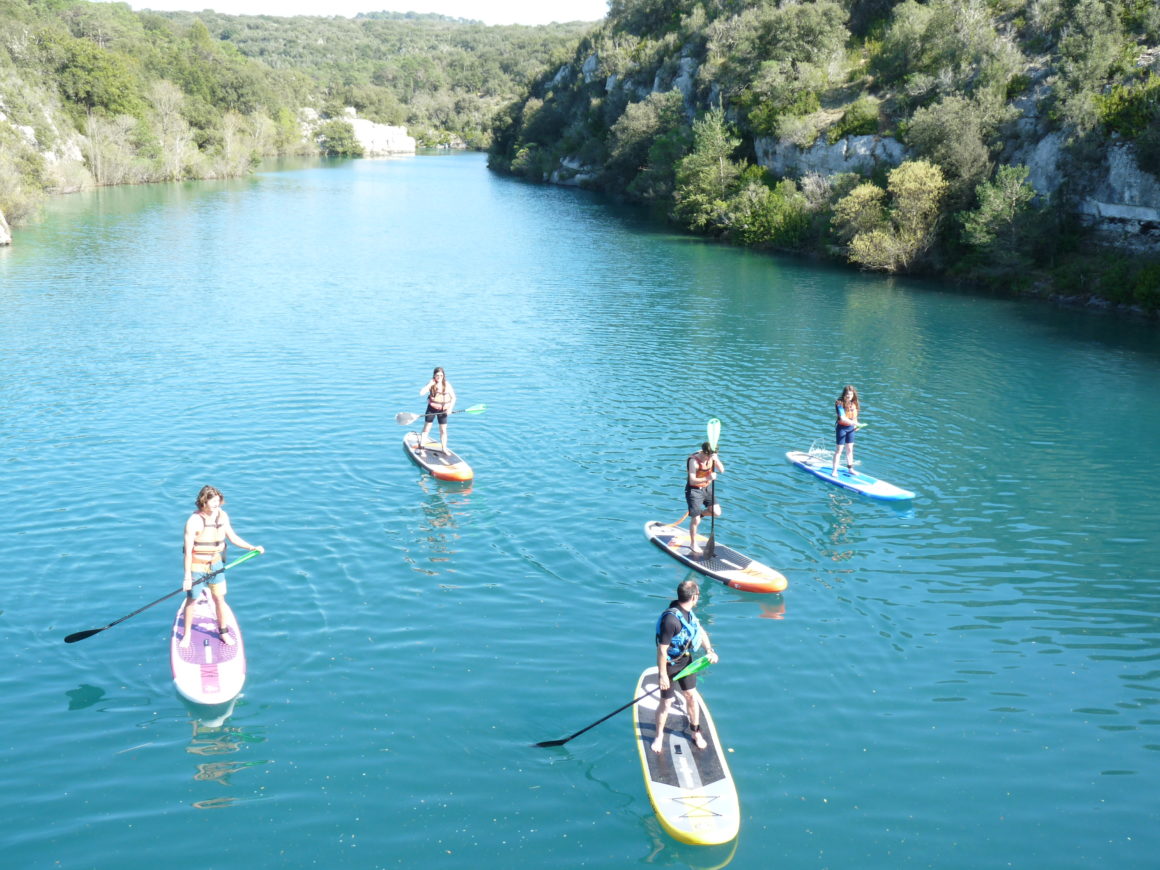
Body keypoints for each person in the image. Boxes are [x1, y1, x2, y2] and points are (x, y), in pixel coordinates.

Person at [180, 485, 263, 648]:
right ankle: (187, 634)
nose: (217, 504)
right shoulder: (194, 521)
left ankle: (223, 632)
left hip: (216, 565)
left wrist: (252, 547)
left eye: (219, 501)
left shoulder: (222, 516)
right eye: (213, 501)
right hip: (197, 566)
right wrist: (187, 577)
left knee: (219, 598)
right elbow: (188, 552)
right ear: (203, 501)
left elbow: (232, 537)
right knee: (192, 600)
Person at [651, 579, 719, 753]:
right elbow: (662, 650)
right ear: (695, 597)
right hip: (669, 665)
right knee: (666, 703)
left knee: (690, 696)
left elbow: (700, 630)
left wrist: (709, 650)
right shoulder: (671, 620)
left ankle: (696, 732)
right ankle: (658, 736)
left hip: (686, 661)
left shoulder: (689, 614)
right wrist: (663, 676)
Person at [685, 441, 724, 556]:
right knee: (696, 520)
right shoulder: (694, 461)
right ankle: (693, 543)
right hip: (694, 491)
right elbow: (692, 480)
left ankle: (699, 514)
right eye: (708, 455)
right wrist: (708, 477)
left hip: (707, 489)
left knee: (716, 512)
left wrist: (716, 459)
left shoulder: (712, 457)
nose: (709, 458)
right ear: (704, 452)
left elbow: (721, 470)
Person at [416, 366, 456, 454]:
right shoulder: (431, 384)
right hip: (432, 409)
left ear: (443, 376)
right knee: (427, 428)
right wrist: (429, 385)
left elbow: (453, 398)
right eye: (437, 375)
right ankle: (421, 446)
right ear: (434, 376)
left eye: (441, 375)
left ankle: (444, 448)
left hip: (443, 411)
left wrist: (450, 409)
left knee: (443, 430)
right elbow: (421, 393)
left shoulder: (447, 385)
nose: (439, 377)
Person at [832, 384, 860, 476]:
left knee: (850, 449)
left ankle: (850, 469)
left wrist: (856, 424)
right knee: (839, 450)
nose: (849, 396)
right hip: (842, 429)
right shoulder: (839, 403)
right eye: (848, 394)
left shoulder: (854, 403)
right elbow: (843, 418)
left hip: (850, 429)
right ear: (844, 394)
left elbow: (854, 417)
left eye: (851, 394)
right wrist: (854, 423)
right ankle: (834, 470)